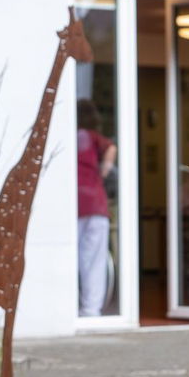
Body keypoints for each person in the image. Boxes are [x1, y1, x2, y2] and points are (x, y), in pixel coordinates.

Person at [76, 109, 117, 316]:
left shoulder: (79, 135)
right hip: (95, 202)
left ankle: (84, 307)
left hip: (77, 202)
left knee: (77, 256)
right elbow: (111, 147)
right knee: (93, 258)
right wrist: (104, 170)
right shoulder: (90, 137)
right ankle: (91, 308)